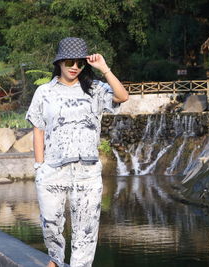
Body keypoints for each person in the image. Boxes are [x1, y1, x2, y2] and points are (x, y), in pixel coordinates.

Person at [26, 37, 128, 267]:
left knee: (86, 226)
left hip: (87, 170)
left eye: (80, 63)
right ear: (59, 62)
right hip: (52, 168)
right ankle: (56, 258)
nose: (74, 67)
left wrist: (104, 68)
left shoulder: (95, 89)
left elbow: (122, 97)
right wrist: (39, 167)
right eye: (70, 61)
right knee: (50, 221)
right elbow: (38, 129)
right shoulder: (44, 92)